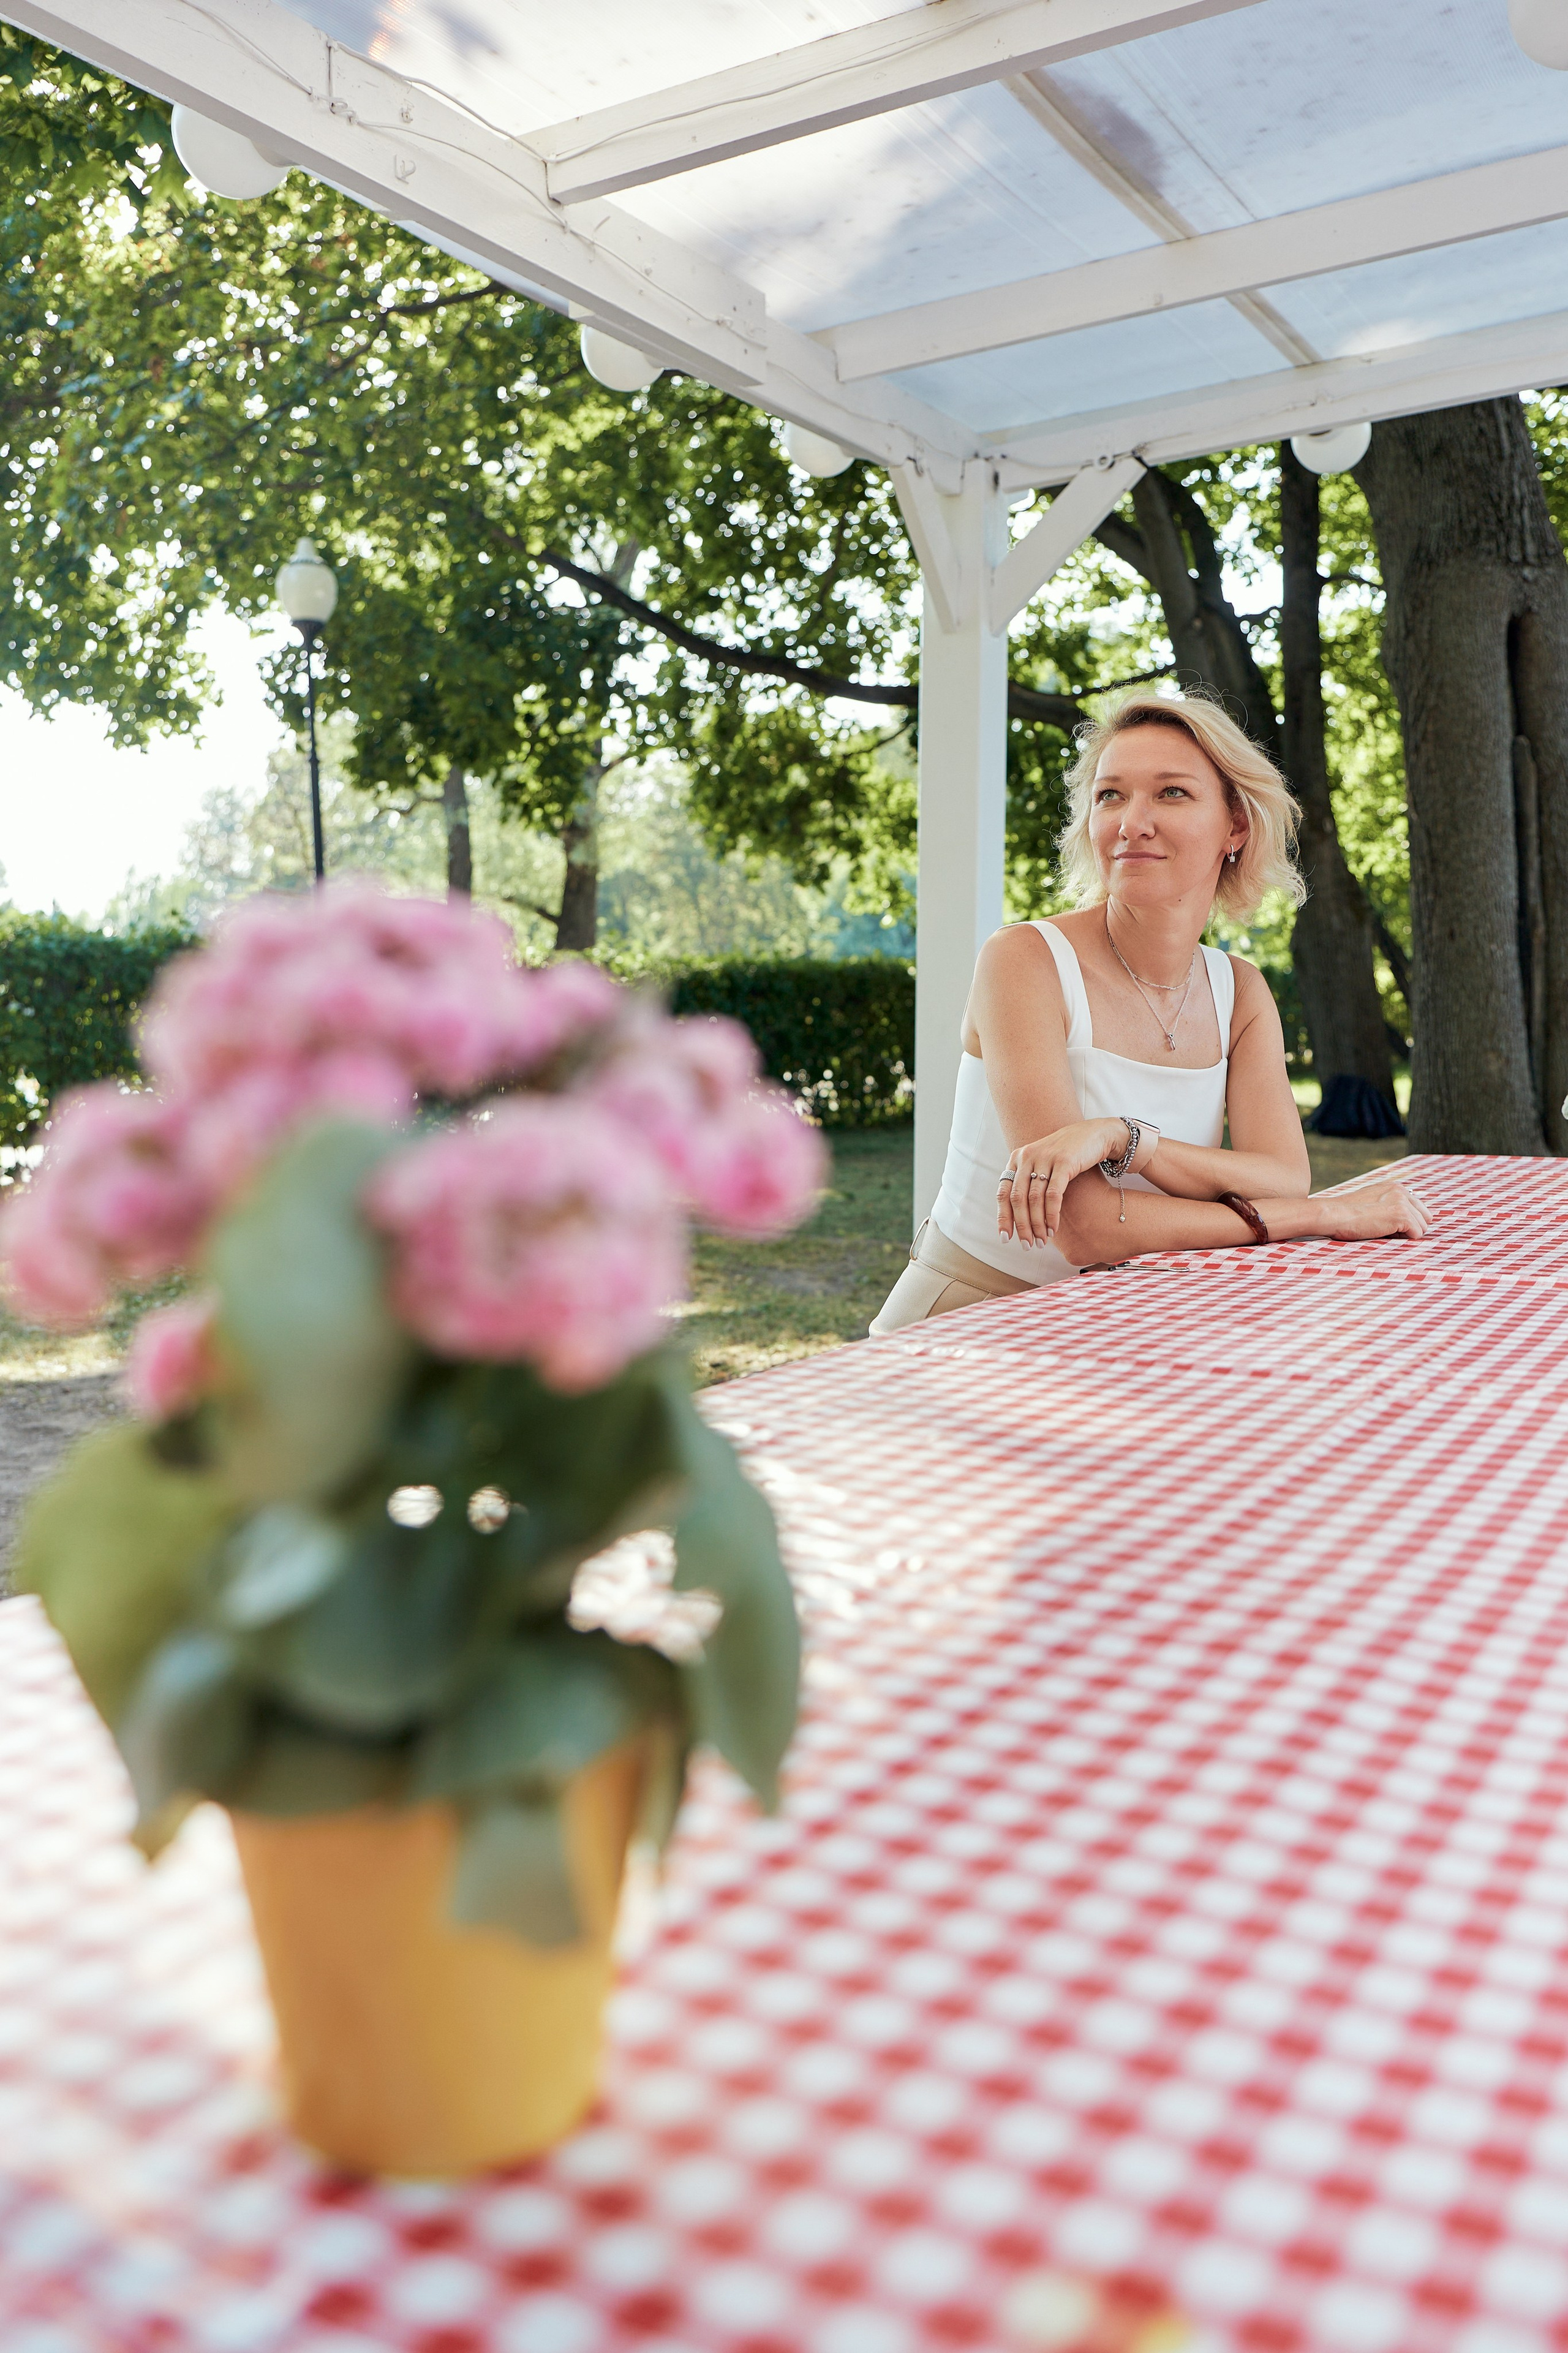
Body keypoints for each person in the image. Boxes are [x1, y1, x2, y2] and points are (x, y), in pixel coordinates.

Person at [872, 689, 1428, 1333]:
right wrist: (1322, 1215)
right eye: (1110, 795)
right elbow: (1085, 1228)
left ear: (1236, 827)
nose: (1132, 822)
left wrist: (1124, 1139)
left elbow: (1279, 1178)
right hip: (973, 1323)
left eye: (1171, 793)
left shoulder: (1240, 991)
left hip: (1140, 1318)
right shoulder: (1023, 960)